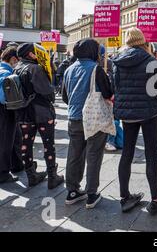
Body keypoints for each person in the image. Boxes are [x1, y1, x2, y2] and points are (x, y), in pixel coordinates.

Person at [113, 28, 157, 214]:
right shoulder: (151, 60)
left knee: (127, 152)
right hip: (148, 112)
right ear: (142, 41)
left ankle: (124, 197)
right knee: (151, 155)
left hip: (127, 113)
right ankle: (155, 198)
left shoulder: (117, 61)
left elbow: (115, 86)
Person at [62, 39, 113, 209]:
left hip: (73, 118)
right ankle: (91, 194)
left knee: (74, 154)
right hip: (93, 119)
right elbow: (107, 93)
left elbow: (64, 96)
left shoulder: (69, 69)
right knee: (94, 155)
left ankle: (72, 191)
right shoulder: (96, 69)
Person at [14, 43, 64, 189]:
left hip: (23, 114)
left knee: (26, 144)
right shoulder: (35, 68)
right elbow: (47, 92)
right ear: (31, 54)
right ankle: (52, 177)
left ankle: (31, 175)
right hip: (41, 112)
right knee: (48, 144)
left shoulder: (16, 68)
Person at [0, 47, 20, 183]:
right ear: (13, 59)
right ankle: (3, 173)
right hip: (4, 111)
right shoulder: (7, 73)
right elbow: (3, 97)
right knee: (5, 141)